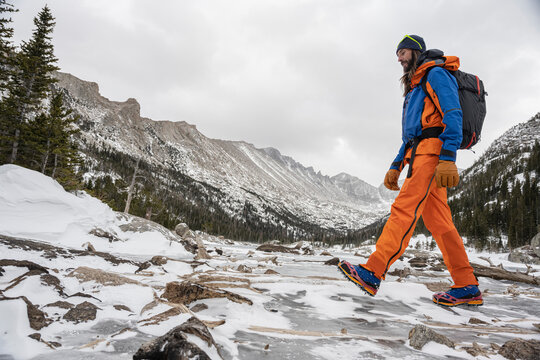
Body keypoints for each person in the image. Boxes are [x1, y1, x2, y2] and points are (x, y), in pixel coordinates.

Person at [338, 35, 483, 307]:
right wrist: (396, 165)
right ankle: (467, 285)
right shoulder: (415, 87)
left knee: (404, 209)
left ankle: (373, 270)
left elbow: (453, 116)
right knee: (441, 224)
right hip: (420, 153)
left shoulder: (436, 74)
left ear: (417, 52)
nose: (399, 59)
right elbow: (411, 136)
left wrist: (448, 157)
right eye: (397, 54)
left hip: (433, 154)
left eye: (403, 52)